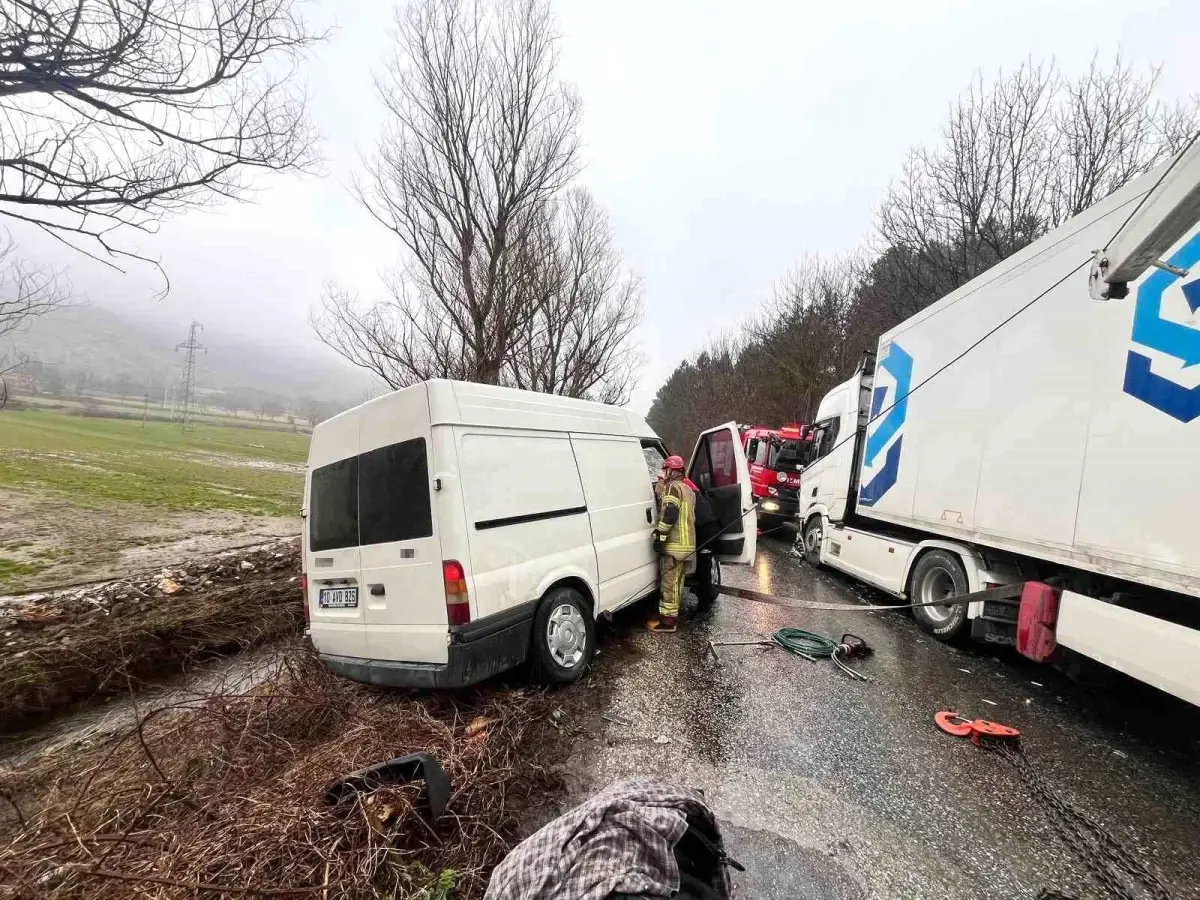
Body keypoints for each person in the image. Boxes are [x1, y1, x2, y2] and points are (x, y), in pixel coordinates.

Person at [649, 455, 695, 633]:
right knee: (677, 584)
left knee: (669, 583)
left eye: (666, 469)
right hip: (688, 546)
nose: (664, 473)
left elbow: (669, 514)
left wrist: (659, 534)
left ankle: (668, 622)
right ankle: (672, 616)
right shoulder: (688, 490)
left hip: (674, 547)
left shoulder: (672, 488)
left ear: (671, 470)